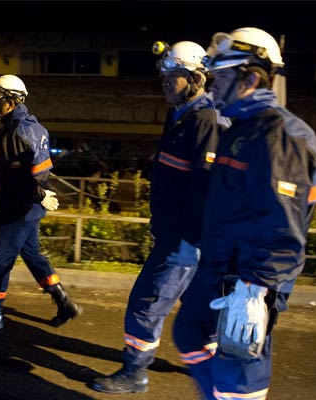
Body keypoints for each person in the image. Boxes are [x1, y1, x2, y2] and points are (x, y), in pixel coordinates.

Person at [173, 27, 316, 400]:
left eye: (221, 77)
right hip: (221, 266)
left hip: (249, 277)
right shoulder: (241, 128)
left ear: (251, 78)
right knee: (189, 331)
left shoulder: (278, 136)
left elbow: (282, 227)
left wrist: (255, 290)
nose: (211, 86)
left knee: (239, 370)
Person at [90, 41, 223, 394]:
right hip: (175, 232)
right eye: (162, 74)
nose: (164, 81)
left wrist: (187, 239)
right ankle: (211, 360)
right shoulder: (179, 114)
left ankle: (135, 372)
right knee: (196, 303)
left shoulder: (204, 119)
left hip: (184, 238)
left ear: (196, 77)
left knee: (147, 300)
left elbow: (205, 188)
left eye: (173, 75)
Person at [0, 74, 82, 332]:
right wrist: (40, 195)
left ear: (10, 101)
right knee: (32, 255)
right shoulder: (26, 127)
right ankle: (64, 302)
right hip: (29, 207)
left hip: (18, 208)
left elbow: (35, 171)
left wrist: (39, 193)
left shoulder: (19, 131)